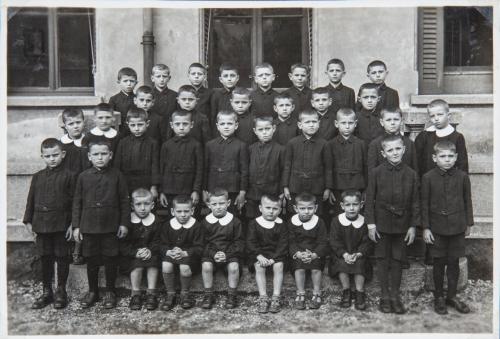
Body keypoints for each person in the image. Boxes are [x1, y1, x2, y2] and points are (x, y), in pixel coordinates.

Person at [365, 134, 420, 314]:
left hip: (402, 224)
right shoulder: (376, 173)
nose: (394, 153)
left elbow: (415, 202)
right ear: (383, 153)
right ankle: (384, 295)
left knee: (397, 259)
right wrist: (371, 224)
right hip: (381, 223)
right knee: (382, 259)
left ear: (404, 149)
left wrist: (412, 226)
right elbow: (369, 200)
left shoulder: (411, 174)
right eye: (390, 150)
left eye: (398, 149)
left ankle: (395, 295)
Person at [72, 140, 129, 309]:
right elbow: (77, 202)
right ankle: (93, 291)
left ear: (110, 155)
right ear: (89, 157)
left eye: (104, 154)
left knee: (111, 258)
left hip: (110, 225)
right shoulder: (83, 176)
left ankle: (110, 291)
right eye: (95, 154)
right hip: (89, 225)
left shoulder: (117, 175)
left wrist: (124, 224)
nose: (100, 157)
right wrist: (76, 226)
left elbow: (125, 201)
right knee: (91, 259)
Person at [23, 138, 77, 309]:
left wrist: (73, 224)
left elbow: (76, 202)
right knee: (44, 257)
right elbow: (30, 200)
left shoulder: (70, 176)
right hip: (42, 224)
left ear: (63, 154)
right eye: (48, 156)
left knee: (62, 257)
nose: (52, 159)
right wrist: (28, 221)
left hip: (62, 225)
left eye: (55, 155)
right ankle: (47, 292)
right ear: (42, 156)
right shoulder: (38, 177)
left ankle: (61, 291)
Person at [422, 141, 473, 315]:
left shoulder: (462, 177)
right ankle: (438, 297)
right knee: (438, 263)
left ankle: (451, 295)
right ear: (434, 158)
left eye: (451, 156)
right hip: (436, 228)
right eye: (443, 156)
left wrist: (468, 223)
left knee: (454, 263)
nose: (447, 160)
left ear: (456, 157)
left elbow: (468, 201)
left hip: (457, 227)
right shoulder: (428, 177)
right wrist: (426, 228)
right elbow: (424, 204)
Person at [282, 110, 333, 219]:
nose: (311, 125)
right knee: (294, 214)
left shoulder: (324, 144)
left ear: (319, 123)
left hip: (317, 187)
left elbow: (328, 168)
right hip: (296, 186)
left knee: (316, 214)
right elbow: (287, 166)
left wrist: (328, 188)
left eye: (314, 122)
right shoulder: (292, 143)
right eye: (307, 122)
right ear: (300, 125)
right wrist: (285, 186)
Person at [201, 188, 245, 309]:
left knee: (234, 267)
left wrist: (227, 254)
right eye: (214, 204)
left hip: (230, 253)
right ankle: (208, 294)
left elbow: (239, 242)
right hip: (211, 253)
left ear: (228, 203)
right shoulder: (205, 222)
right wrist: (213, 254)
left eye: (221, 203)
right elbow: (202, 243)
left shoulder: (235, 222)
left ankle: (232, 295)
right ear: (209, 205)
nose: (218, 207)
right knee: (206, 266)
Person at [158, 195, 204, 310]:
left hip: (189, 256)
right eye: (179, 211)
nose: (183, 215)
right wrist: (168, 251)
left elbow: (200, 247)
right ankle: (170, 294)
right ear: (173, 211)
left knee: (184, 267)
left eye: (186, 211)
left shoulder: (197, 226)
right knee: (166, 265)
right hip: (172, 254)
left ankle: (185, 294)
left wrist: (185, 253)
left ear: (192, 211)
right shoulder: (167, 225)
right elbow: (162, 244)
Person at [329, 190, 372, 310]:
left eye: (355, 204)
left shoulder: (365, 222)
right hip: (342, 254)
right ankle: (346, 291)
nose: (352, 208)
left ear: (361, 205)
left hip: (359, 254)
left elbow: (367, 242)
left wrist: (358, 254)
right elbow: (334, 241)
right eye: (348, 205)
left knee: (360, 263)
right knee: (341, 264)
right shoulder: (336, 221)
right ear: (342, 206)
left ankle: (359, 292)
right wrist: (344, 254)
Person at [121, 188, 161, 311]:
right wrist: (135, 252)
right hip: (132, 256)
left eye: (146, 204)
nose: (143, 208)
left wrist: (150, 250)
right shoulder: (128, 221)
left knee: (153, 264)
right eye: (138, 204)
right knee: (136, 266)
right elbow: (123, 244)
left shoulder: (156, 221)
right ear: (132, 206)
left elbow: (158, 241)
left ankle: (151, 294)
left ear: (152, 205)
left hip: (151, 253)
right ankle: (136, 294)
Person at [246, 195, 288, 313]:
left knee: (279, 266)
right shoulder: (254, 223)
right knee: (259, 266)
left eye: (275, 209)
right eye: (267, 207)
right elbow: (250, 242)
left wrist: (274, 258)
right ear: (260, 208)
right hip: (259, 254)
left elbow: (283, 244)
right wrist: (259, 256)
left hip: (276, 254)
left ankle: (276, 297)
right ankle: (263, 297)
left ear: (280, 210)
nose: (271, 211)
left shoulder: (282, 224)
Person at [288, 193, 329, 310]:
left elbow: (323, 242)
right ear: (296, 209)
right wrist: (298, 253)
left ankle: (317, 293)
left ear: (315, 208)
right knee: (299, 267)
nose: (306, 211)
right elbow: (291, 241)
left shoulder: (319, 222)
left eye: (310, 208)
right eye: (302, 208)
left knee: (316, 268)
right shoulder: (292, 222)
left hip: (315, 253)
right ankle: (300, 293)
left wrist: (315, 254)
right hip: (299, 253)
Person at [204, 110, 248, 215]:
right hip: (214, 189)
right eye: (222, 124)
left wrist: (242, 192)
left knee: (232, 216)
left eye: (230, 124)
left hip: (233, 189)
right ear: (217, 126)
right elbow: (205, 169)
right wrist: (204, 190)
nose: (226, 127)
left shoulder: (241, 145)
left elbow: (244, 170)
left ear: (236, 125)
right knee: (215, 215)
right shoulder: (210, 145)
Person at [59, 108, 89, 265]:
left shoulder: (87, 142)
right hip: (66, 186)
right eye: (71, 123)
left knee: (81, 214)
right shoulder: (62, 144)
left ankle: (79, 249)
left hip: (84, 186)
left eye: (78, 122)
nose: (75, 126)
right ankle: (66, 248)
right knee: (67, 214)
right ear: (65, 125)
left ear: (83, 122)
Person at [159, 110, 203, 215]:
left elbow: (200, 169)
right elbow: (161, 169)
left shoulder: (196, 145)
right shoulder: (166, 145)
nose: (181, 127)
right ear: (171, 125)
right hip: (170, 190)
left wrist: (196, 190)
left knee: (191, 216)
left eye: (185, 124)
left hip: (189, 189)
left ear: (191, 125)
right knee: (173, 217)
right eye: (177, 124)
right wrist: (162, 191)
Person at [326, 108, 366, 216]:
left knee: (357, 214)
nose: (347, 126)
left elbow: (366, 168)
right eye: (343, 123)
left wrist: (366, 190)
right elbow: (328, 168)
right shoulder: (330, 144)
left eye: (350, 123)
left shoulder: (361, 144)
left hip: (357, 186)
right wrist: (329, 188)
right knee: (339, 214)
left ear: (355, 124)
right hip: (338, 187)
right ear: (336, 124)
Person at [415, 99, 469, 178]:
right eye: (432, 116)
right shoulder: (423, 136)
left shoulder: (457, 137)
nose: (436, 119)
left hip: (451, 182)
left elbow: (462, 165)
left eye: (440, 114)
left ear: (448, 115)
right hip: (428, 183)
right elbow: (417, 163)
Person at [113, 108, 159, 199]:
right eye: (133, 125)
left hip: (146, 181)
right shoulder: (123, 142)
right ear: (127, 124)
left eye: (140, 125)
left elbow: (155, 165)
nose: (137, 128)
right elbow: (117, 165)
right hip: (127, 182)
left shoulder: (153, 143)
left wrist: (154, 186)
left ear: (147, 124)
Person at [246, 116, 285, 220]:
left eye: (267, 129)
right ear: (255, 131)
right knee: (252, 220)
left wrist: (281, 191)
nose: (264, 132)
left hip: (272, 192)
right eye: (260, 130)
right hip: (253, 194)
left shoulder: (280, 149)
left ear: (274, 129)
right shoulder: (250, 149)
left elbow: (283, 171)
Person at [367, 108, 418, 173]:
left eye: (396, 119)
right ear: (382, 122)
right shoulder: (375, 144)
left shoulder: (409, 143)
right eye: (388, 120)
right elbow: (372, 172)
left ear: (401, 121)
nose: (392, 123)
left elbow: (415, 170)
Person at [108, 67, 138, 135]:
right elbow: (111, 118)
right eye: (125, 81)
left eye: (132, 81)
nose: (129, 84)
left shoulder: (138, 98)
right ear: (119, 82)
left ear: (136, 83)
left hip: (136, 130)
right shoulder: (114, 99)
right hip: (120, 132)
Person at [210, 63, 239, 131]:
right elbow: (213, 117)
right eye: (226, 76)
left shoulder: (241, 94)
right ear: (220, 79)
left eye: (232, 76)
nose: (229, 79)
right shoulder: (215, 95)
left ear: (237, 78)